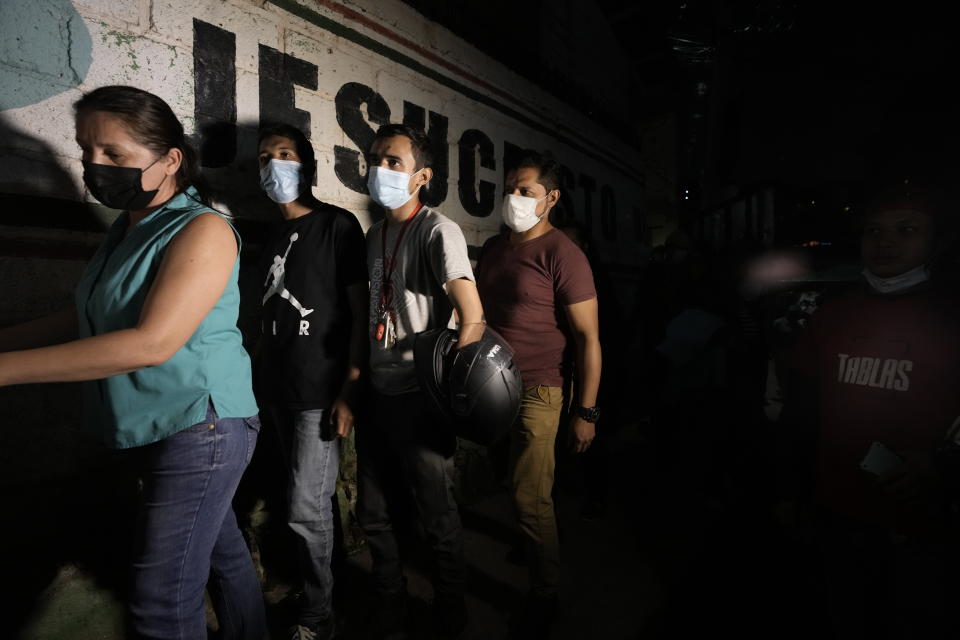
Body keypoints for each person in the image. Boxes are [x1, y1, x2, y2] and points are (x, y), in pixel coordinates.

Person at [0, 86, 265, 639]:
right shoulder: (124, 232)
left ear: (170, 160)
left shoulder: (203, 229)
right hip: (155, 421)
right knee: (224, 557)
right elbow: (85, 316)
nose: (94, 167)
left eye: (114, 155)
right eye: (86, 151)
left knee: (159, 605)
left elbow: (150, 344)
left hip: (201, 424)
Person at [777, 180, 960, 639]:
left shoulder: (951, 316)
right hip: (838, 508)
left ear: (935, 241)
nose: (885, 243)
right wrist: (788, 488)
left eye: (905, 230)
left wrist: (943, 464)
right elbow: (800, 411)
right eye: (874, 232)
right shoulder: (830, 315)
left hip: (923, 517)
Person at [357, 123, 485, 639]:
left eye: (393, 162)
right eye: (375, 159)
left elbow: (472, 315)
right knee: (374, 512)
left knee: (437, 517)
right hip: (377, 393)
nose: (380, 170)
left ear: (422, 177)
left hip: (420, 398)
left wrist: (451, 392)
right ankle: (392, 600)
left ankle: (450, 609)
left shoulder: (438, 230)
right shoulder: (374, 236)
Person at [474, 150, 601, 639]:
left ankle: (545, 592)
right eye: (510, 188)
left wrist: (586, 411)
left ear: (551, 199)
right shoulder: (493, 248)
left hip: (540, 389)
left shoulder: (563, 255)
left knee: (529, 497)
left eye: (525, 191)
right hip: (490, 383)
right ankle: (536, 535)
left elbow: (589, 339)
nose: (514, 198)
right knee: (518, 486)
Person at [255, 123, 367, 640]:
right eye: (265, 157)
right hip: (277, 391)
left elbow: (358, 312)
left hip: (319, 392)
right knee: (305, 503)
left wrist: (349, 387)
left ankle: (319, 616)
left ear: (306, 165)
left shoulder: (337, 225)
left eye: (284, 154)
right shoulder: (270, 235)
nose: (274, 164)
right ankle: (322, 585)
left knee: (305, 506)